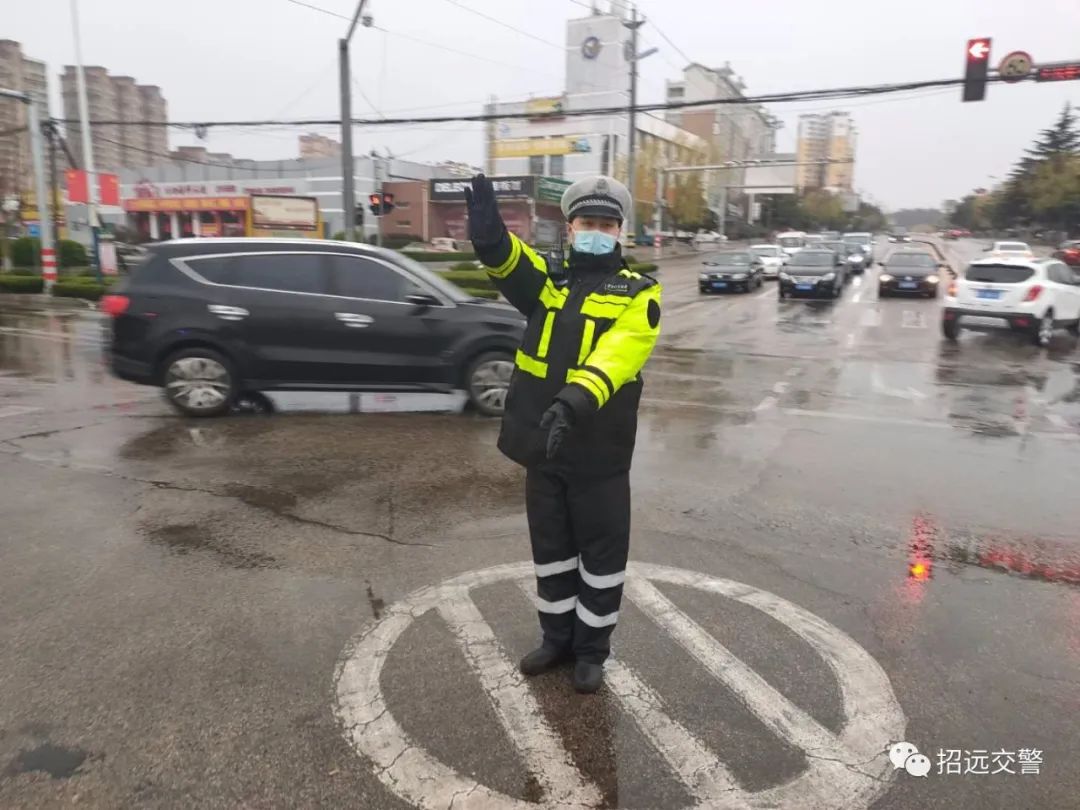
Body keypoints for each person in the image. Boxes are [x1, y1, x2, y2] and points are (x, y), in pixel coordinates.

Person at [464, 173, 662, 693]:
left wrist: (572, 402)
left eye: (606, 224)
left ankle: (591, 650)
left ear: (619, 232)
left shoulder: (639, 293)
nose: (595, 231)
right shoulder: (550, 281)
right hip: (543, 447)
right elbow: (512, 264)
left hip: (598, 452)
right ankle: (556, 640)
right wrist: (489, 236)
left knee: (601, 558)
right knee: (551, 551)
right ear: (569, 228)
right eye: (586, 222)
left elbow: (618, 354)